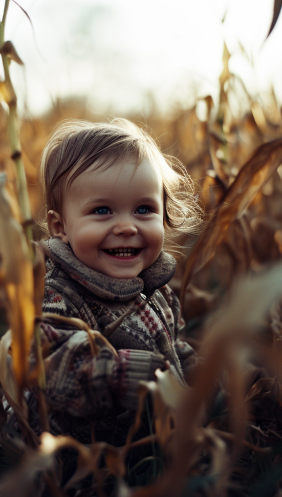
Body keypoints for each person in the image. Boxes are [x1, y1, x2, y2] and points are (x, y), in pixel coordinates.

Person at [36, 119, 202, 447]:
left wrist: (205, 379)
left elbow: (172, 349)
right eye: (102, 211)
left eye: (144, 209)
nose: (126, 226)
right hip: (81, 458)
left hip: (147, 446)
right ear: (60, 227)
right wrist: (119, 376)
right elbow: (52, 368)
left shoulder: (158, 293)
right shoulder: (57, 296)